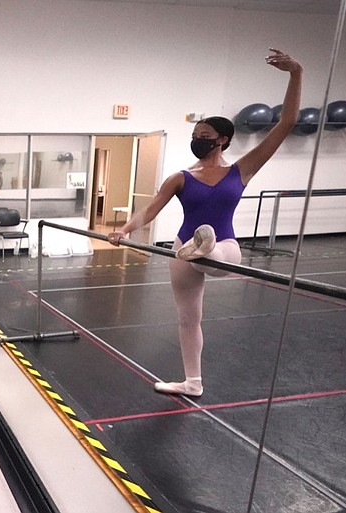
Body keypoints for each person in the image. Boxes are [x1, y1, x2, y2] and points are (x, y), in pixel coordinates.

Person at [107, 48, 302, 397]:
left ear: (223, 139)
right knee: (187, 318)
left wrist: (295, 74)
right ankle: (192, 382)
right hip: (183, 248)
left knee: (219, 259)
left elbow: (286, 123)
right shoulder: (181, 177)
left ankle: (206, 248)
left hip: (223, 245)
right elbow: (150, 209)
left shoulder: (240, 169)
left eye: (204, 135)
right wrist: (124, 230)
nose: (198, 140)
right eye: (195, 135)